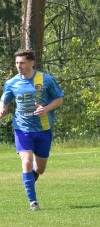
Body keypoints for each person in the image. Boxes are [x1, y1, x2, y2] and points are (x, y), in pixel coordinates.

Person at [1, 49, 65, 211]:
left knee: (40, 169)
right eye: (16, 63)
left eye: (22, 62)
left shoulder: (46, 80)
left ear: (31, 63)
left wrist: (46, 108)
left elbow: (59, 99)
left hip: (43, 129)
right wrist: (2, 109)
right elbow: (5, 99)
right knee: (27, 160)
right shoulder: (12, 83)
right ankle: (33, 202)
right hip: (22, 128)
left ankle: (29, 177)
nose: (18, 66)